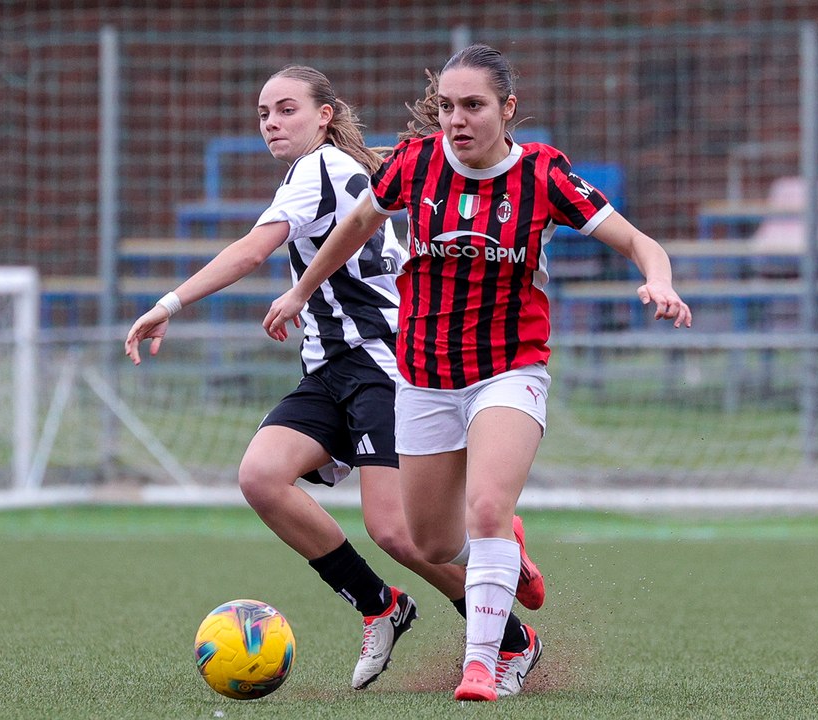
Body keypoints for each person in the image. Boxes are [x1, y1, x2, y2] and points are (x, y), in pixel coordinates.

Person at [264, 45, 692, 701]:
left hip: (510, 369)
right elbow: (355, 227)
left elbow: (640, 242)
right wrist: (300, 291)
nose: (457, 119)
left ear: (507, 108)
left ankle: (485, 665)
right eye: (446, 106)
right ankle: (505, 557)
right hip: (425, 374)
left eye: (473, 105)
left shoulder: (543, 175)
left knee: (489, 506)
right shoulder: (415, 164)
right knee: (430, 542)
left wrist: (658, 280)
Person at [124, 65, 541, 692]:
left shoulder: (321, 168)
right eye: (263, 113)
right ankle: (381, 605)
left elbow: (252, 250)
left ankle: (511, 636)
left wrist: (169, 304)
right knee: (262, 477)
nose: (271, 123)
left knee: (397, 531)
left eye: (286, 109)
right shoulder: (322, 171)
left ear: (325, 116)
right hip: (327, 366)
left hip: (380, 362)